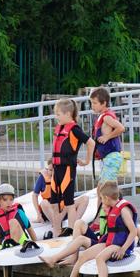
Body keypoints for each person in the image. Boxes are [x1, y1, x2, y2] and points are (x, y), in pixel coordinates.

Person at [68, 181, 138, 277]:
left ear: (106, 198)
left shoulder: (124, 210)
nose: (101, 201)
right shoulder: (112, 207)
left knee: (99, 258)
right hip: (111, 243)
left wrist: (123, 249)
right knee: (83, 255)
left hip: (121, 245)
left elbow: (133, 231)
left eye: (101, 198)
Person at [46, 98, 90, 236]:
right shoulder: (60, 128)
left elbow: (91, 143)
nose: (56, 117)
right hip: (57, 170)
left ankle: (72, 232)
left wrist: (87, 161)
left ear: (68, 114)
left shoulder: (74, 129)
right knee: (54, 203)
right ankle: (57, 232)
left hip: (67, 170)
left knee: (69, 204)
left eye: (58, 114)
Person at [0, 182, 38, 277]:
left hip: (21, 243)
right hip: (5, 245)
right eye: (5, 200)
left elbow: (30, 229)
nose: (9, 202)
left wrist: (37, 244)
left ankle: (13, 245)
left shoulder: (19, 213)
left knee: (13, 221)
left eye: (11, 199)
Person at [87, 87, 126, 184]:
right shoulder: (101, 116)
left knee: (106, 185)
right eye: (91, 103)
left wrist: (107, 137)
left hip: (111, 156)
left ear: (104, 103)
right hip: (106, 157)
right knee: (105, 185)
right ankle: (110, 199)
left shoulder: (107, 117)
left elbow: (121, 128)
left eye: (95, 103)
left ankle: (113, 199)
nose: (92, 106)